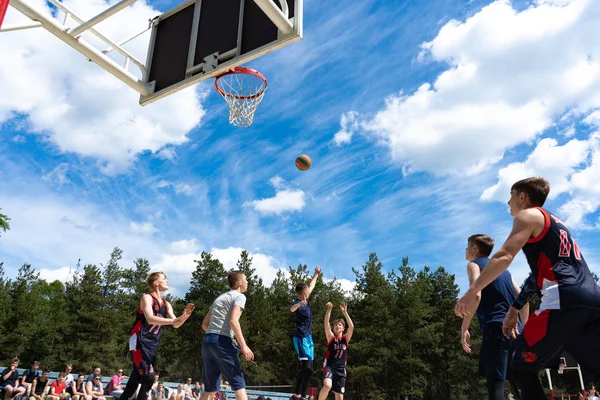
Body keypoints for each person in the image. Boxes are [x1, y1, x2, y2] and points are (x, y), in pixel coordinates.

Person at [455, 177, 600, 400]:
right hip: (591, 299)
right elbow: (535, 277)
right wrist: (514, 309)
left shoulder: (528, 215)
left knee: (520, 365)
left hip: (563, 299)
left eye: (511, 196)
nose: (508, 202)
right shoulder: (558, 223)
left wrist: (473, 290)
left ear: (522, 197)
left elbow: (504, 256)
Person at [460, 234, 529, 400]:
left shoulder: (473, 265)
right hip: (516, 332)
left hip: (496, 330)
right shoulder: (502, 269)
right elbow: (523, 299)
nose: (465, 250)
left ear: (475, 248)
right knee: (521, 384)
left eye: (467, 246)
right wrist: (523, 328)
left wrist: (464, 328)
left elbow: (476, 295)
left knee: (496, 384)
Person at [119, 271, 194, 400]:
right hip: (138, 340)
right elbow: (150, 318)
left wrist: (184, 317)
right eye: (164, 279)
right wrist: (173, 321)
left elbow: (176, 324)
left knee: (136, 378)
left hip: (152, 344)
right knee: (149, 376)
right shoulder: (147, 298)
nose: (167, 281)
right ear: (156, 283)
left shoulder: (166, 304)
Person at [199, 270, 253, 400]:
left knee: (210, 389)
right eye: (246, 279)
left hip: (208, 342)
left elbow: (205, 324)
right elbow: (234, 321)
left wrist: (218, 335)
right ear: (239, 282)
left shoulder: (219, 298)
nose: (247, 282)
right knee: (238, 383)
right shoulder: (240, 297)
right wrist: (244, 346)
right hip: (222, 341)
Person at [290, 266, 321, 400]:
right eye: (307, 290)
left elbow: (312, 285)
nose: (309, 291)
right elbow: (291, 309)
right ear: (303, 292)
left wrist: (316, 275)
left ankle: (303, 396)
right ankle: (296, 394)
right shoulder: (298, 302)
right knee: (305, 368)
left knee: (310, 370)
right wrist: (299, 305)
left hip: (308, 339)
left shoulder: (307, 300)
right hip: (301, 338)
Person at [317, 302, 354, 400]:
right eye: (336, 325)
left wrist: (345, 312)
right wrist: (329, 310)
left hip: (341, 370)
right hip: (330, 367)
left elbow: (351, 327)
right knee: (328, 385)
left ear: (343, 328)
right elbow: (326, 324)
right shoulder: (331, 338)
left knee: (339, 398)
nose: (337, 326)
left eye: (340, 325)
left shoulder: (345, 339)